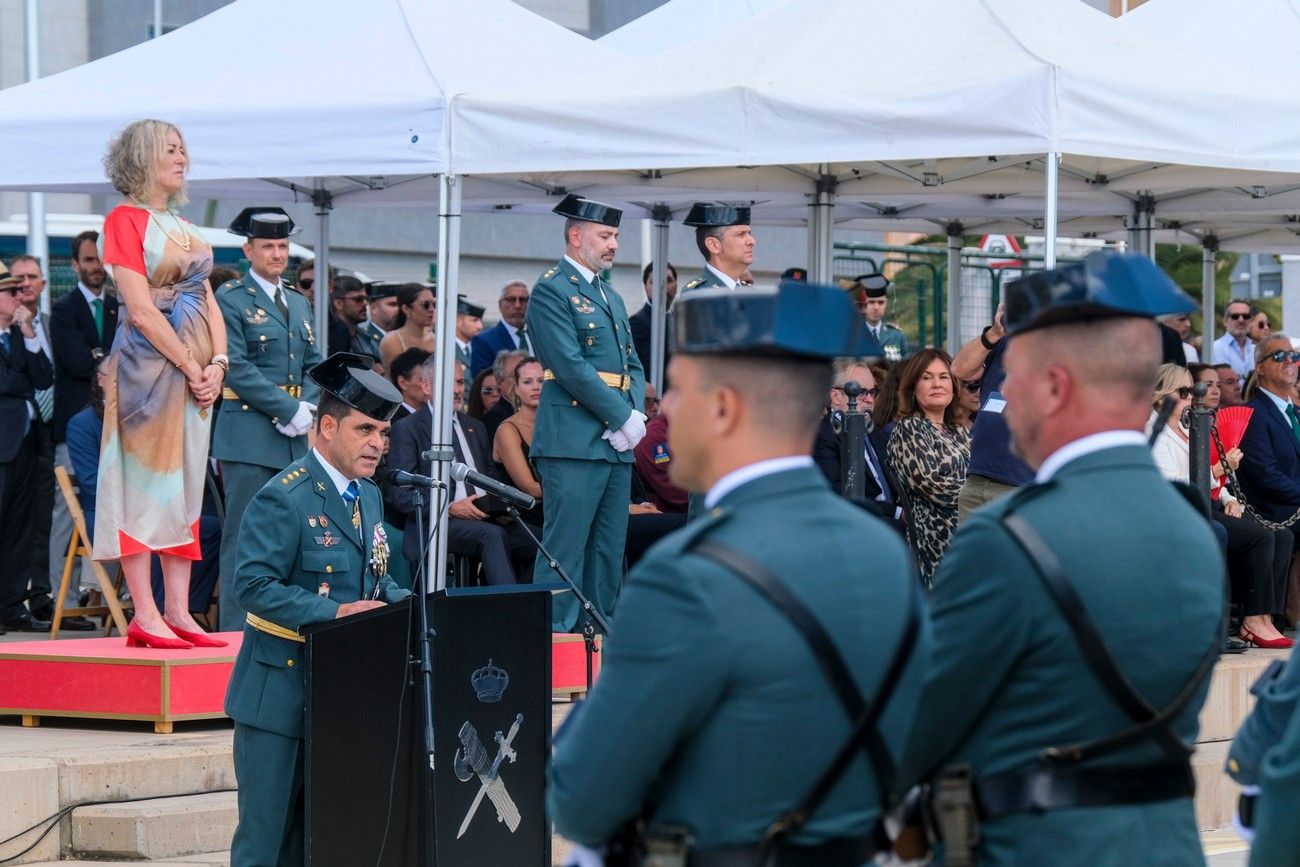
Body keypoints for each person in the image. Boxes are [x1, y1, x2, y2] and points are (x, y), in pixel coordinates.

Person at [549, 281, 929, 864]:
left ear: (724, 407)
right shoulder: (884, 553)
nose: (664, 411)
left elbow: (580, 801)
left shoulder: (686, 576)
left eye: (676, 392)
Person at [898, 252, 1224, 867]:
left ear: (1053, 386)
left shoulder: (1006, 538)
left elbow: (923, 726)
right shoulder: (1192, 527)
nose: (999, 396)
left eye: (1011, 377)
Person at [224, 353, 410, 867]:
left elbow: (378, 578)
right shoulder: (284, 497)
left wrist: (413, 607)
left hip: (340, 695)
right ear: (327, 427)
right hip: (279, 692)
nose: (378, 443)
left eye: (385, 433)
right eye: (366, 429)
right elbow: (253, 587)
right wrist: (336, 615)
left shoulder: (367, 496)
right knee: (267, 844)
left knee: (323, 840)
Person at [95, 119, 229, 648]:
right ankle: (145, 612)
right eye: (170, 149)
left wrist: (219, 363)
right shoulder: (124, 221)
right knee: (143, 485)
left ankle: (178, 609)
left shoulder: (184, 226)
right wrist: (192, 367)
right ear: (142, 158)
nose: (182, 157)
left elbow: (208, 299)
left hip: (194, 376)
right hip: (147, 373)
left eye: (183, 149)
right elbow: (143, 312)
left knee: (186, 486)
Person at [526, 194, 645, 631]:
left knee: (607, 549)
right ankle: (556, 645)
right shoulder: (552, 289)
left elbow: (631, 363)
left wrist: (633, 417)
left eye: (616, 235)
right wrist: (620, 417)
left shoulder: (609, 295)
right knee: (565, 550)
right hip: (573, 440)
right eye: (605, 235)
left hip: (613, 442)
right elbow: (568, 365)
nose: (614, 244)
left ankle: (598, 638)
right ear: (576, 236)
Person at [213, 206, 321, 632]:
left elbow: (314, 363)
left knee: (289, 534)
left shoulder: (296, 299)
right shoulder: (231, 299)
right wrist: (287, 408)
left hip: (293, 434)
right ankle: (237, 632)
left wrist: (307, 407)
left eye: (282, 245)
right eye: (268, 246)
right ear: (248, 250)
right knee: (244, 536)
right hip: (249, 433)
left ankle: (280, 628)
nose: (277, 254)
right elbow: (235, 365)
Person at [1149, 363, 1291, 649]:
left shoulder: (1187, 428)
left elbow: (1218, 482)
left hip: (1205, 504)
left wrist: (1230, 500)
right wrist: (1216, 471)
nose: (1192, 398)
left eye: (1193, 391)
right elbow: (1169, 483)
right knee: (1252, 536)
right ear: (1163, 396)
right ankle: (1246, 620)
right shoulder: (1156, 430)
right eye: (1186, 391)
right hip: (1178, 510)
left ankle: (1264, 617)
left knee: (1281, 535)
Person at [67, 363, 220, 617]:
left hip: (151, 505)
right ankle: (156, 612)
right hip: (110, 512)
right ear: (100, 380)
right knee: (156, 530)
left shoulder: (143, 415)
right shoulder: (82, 424)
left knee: (211, 529)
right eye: (116, 376)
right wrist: (141, 497)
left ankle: (186, 609)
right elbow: (92, 483)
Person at [387, 358, 533, 584]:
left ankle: (530, 607)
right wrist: (450, 508)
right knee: (492, 536)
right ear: (426, 386)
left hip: (486, 516)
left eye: (460, 382)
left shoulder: (474, 426)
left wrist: (500, 505)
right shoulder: (408, 428)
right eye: (449, 383)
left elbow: (490, 478)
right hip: (437, 522)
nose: (457, 390)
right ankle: (509, 612)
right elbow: (402, 495)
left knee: (542, 542)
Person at [47, 231, 119, 631]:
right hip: (76, 425)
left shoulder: (117, 307)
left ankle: (109, 597)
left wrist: (103, 358)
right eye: (89, 260)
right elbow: (79, 362)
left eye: (100, 260)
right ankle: (66, 599)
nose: (96, 268)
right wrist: (104, 359)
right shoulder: (63, 309)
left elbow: (117, 359)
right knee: (66, 516)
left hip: (117, 423)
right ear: (74, 265)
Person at [886, 348, 971, 585]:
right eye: (926, 377)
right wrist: (983, 495)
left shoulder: (959, 430)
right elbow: (937, 487)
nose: (937, 384)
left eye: (944, 377)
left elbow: (980, 473)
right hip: (938, 539)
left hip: (972, 526)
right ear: (913, 387)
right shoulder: (909, 429)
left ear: (954, 387)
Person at [0, 263, 54, 634]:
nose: (20, 297)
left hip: (25, 444)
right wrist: (18, 382)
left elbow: (43, 377)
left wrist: (28, 330)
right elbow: (7, 383)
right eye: (11, 292)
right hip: (3, 443)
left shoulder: (19, 334)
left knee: (20, 528)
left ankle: (11, 605)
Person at [952, 302, 1035, 521]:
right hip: (978, 477)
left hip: (1018, 481)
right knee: (971, 554)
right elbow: (960, 369)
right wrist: (995, 332)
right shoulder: (1000, 341)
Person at [812, 359, 902, 532]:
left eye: (873, 392)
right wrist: (897, 513)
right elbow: (840, 494)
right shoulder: (824, 436)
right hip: (860, 526)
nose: (869, 399)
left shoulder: (877, 432)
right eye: (860, 392)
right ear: (835, 396)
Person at [491, 356, 544, 528]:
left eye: (541, 381)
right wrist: (573, 488)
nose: (536, 387)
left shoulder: (558, 424)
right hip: (522, 516)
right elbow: (530, 489)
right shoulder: (507, 430)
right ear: (517, 389)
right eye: (528, 382)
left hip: (558, 507)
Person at [680, 202, 754, 293]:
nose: (752, 241)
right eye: (741, 234)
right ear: (713, 245)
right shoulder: (699, 294)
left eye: (749, 233)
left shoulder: (747, 290)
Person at [469, 279, 531, 378]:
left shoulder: (540, 338)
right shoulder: (484, 341)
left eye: (523, 300)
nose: (517, 305)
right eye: (511, 300)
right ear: (500, 305)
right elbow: (483, 382)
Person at [629, 261, 677, 374]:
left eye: (669, 280)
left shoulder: (679, 320)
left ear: (676, 285)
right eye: (654, 282)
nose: (662, 287)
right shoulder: (637, 323)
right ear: (646, 287)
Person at [377, 281, 435, 374]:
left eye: (434, 304)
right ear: (406, 309)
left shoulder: (436, 340)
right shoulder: (392, 341)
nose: (431, 309)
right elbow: (394, 380)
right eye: (426, 305)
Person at [852, 271, 908, 362]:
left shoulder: (896, 336)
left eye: (881, 302)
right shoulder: (853, 335)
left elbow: (905, 370)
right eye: (871, 302)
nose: (876, 307)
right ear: (863, 305)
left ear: (886, 304)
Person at [482, 348, 526, 445]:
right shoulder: (494, 419)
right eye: (515, 375)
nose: (523, 381)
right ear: (499, 382)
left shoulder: (542, 414)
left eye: (527, 376)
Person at [1214, 298, 1257, 387]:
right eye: (1235, 316)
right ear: (1225, 321)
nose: (1241, 320)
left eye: (1246, 316)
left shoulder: (1255, 350)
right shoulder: (1216, 348)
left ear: (1251, 320)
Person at [356, 281, 398, 370]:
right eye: (393, 304)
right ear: (373, 308)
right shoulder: (364, 338)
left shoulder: (404, 337)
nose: (398, 310)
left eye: (400, 305)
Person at [327, 275, 370, 358]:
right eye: (358, 299)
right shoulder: (329, 339)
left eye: (366, 298)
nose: (365, 303)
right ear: (338, 304)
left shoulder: (365, 336)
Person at [387, 347, 431, 421]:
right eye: (423, 381)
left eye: (432, 380)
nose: (430, 386)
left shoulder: (437, 415)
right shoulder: (391, 421)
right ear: (403, 383)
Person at [454, 295, 484, 390]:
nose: (480, 326)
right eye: (474, 321)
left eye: (480, 321)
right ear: (457, 321)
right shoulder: (447, 351)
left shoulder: (481, 349)